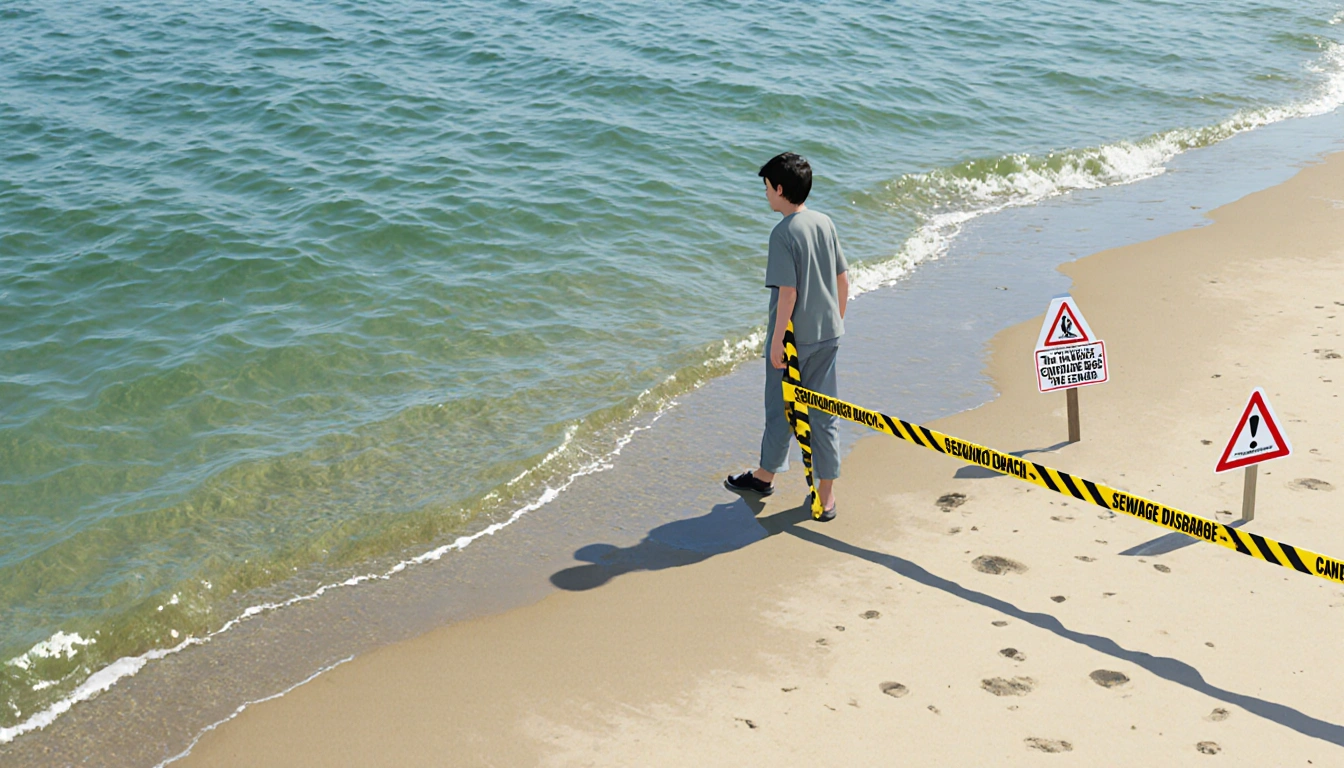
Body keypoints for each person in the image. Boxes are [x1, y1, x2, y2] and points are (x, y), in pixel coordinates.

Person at [725, 152, 848, 521]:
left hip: (795, 341)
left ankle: (765, 476)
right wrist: (835, 320)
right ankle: (826, 499)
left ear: (780, 189)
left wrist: (778, 341)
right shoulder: (824, 222)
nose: (765, 195)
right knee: (824, 414)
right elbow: (843, 278)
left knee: (780, 409)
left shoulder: (783, 233)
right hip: (829, 334)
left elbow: (788, 293)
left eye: (766, 188)